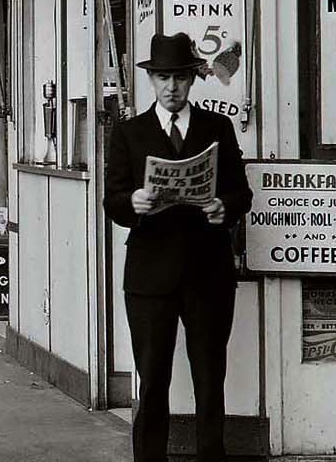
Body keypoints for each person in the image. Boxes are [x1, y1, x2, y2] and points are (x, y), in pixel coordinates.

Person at [103, 32, 252, 462]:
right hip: (150, 277)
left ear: (192, 81)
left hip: (208, 272)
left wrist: (225, 207)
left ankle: (211, 455)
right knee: (152, 379)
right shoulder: (130, 134)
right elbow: (112, 200)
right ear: (152, 81)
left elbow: (242, 193)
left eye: (181, 79)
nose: (172, 87)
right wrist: (132, 202)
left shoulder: (216, 128)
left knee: (210, 377)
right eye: (164, 78)